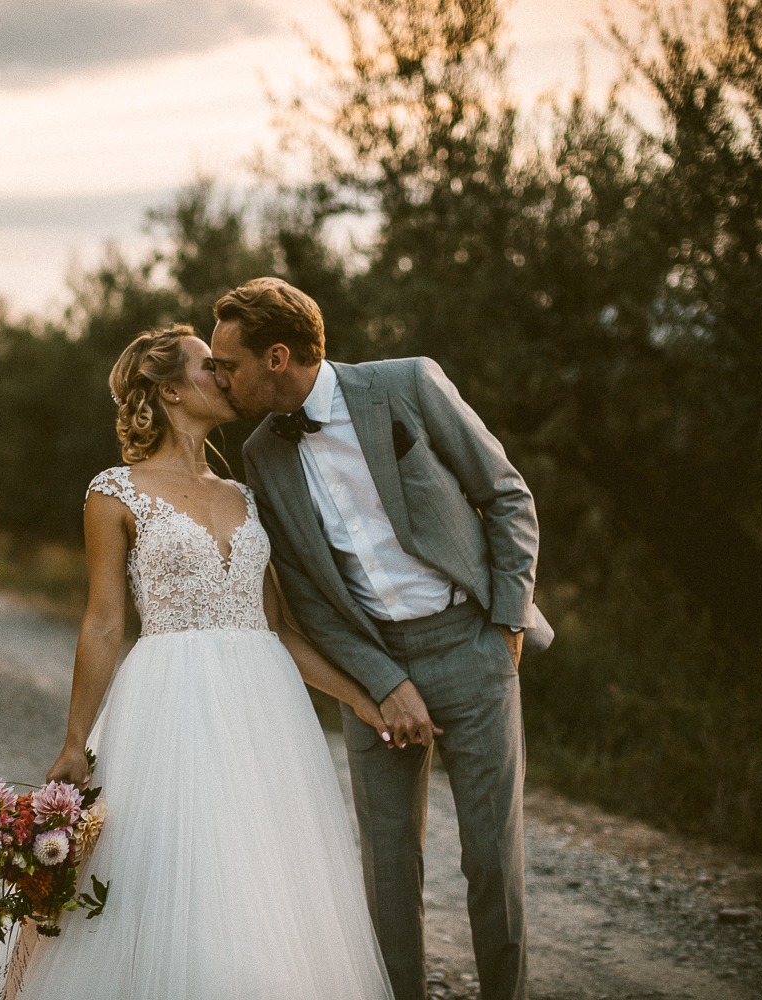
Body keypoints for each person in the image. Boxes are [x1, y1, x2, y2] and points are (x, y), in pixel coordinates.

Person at [0, 324, 396, 1000]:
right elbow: (104, 621)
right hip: (170, 702)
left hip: (266, 712)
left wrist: (358, 695)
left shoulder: (246, 494)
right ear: (169, 388)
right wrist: (72, 742)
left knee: (259, 879)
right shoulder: (114, 493)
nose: (226, 376)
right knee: (171, 873)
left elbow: (275, 628)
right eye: (211, 366)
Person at [210, 278, 551, 1000]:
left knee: (493, 856)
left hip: (472, 644)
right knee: (389, 866)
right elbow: (307, 596)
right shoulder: (262, 454)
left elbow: (507, 495)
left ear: (277, 357)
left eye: (229, 364)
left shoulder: (407, 385)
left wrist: (508, 621)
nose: (220, 378)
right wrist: (380, 683)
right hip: (369, 668)